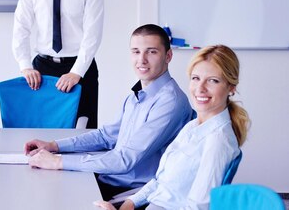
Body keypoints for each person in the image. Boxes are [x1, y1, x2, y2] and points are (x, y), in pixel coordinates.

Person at [24, 24, 192, 201]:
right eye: (136, 51)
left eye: (151, 52)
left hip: (130, 193)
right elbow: (105, 136)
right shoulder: (136, 97)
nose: (141, 60)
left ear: (168, 56)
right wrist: (54, 146)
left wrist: (58, 162)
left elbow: (124, 159)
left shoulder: (170, 102)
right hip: (108, 179)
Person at [94, 45, 250, 210]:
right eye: (196, 78)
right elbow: (161, 182)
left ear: (231, 87)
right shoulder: (193, 126)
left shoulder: (218, 141)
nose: (200, 88)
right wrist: (130, 203)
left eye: (213, 80)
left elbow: (198, 207)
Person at [12, 0, 104, 128]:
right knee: (41, 131)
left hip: (80, 67)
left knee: (83, 134)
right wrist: (25, 66)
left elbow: (93, 32)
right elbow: (21, 27)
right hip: (42, 69)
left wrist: (76, 72)